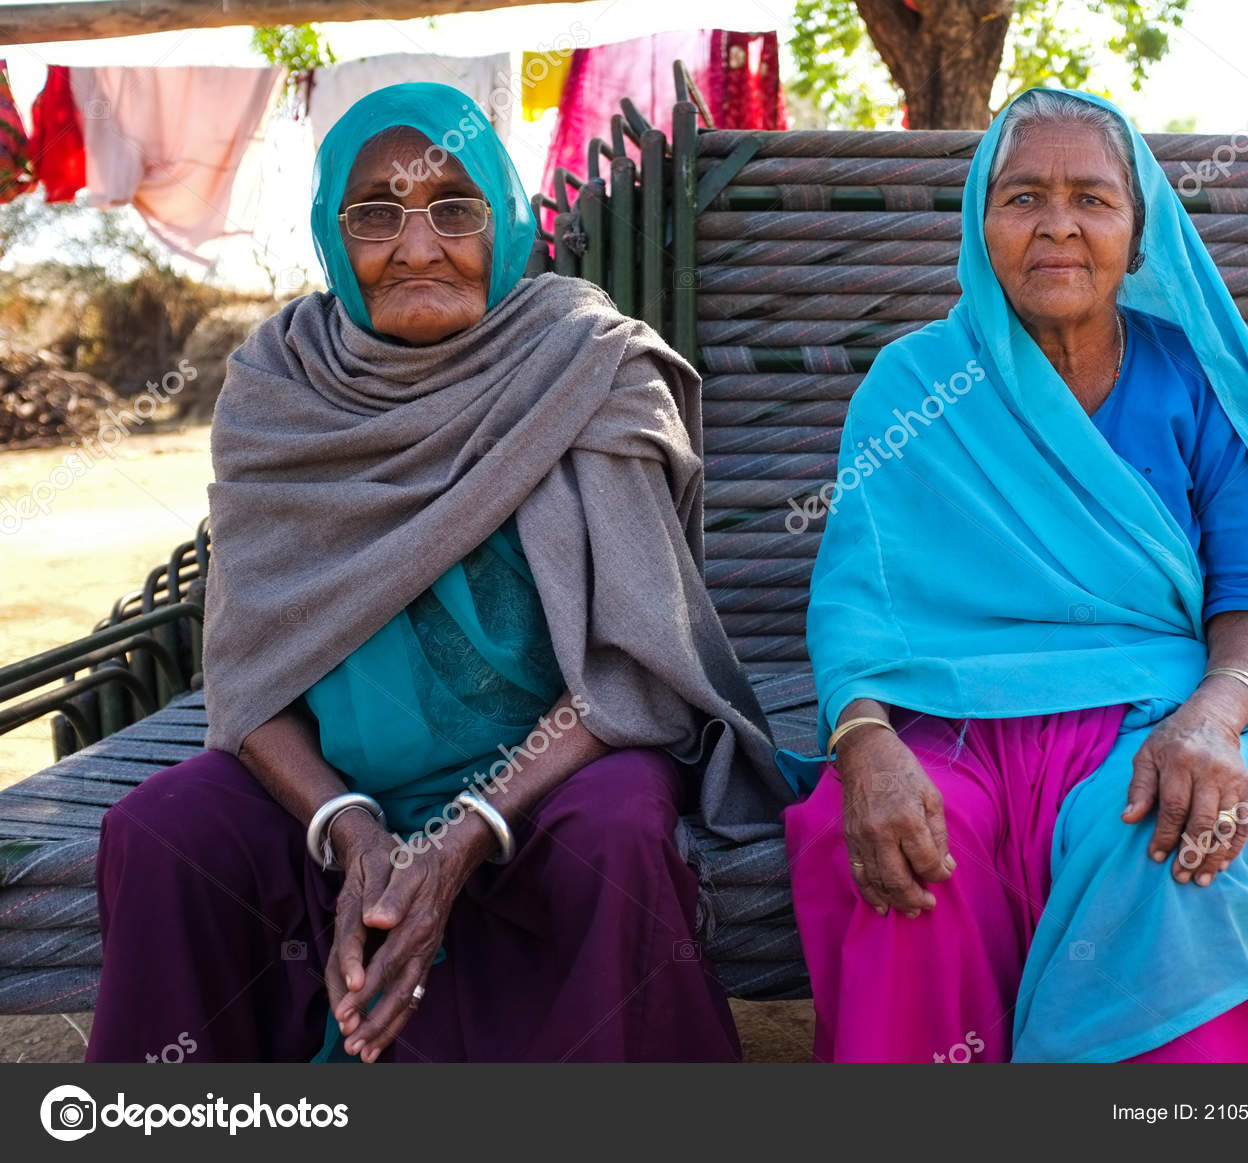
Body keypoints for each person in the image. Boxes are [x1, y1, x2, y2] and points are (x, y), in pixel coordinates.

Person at [86, 83, 791, 1064]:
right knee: (161, 832)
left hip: (552, 774)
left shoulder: (585, 364)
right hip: (329, 788)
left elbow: (638, 666)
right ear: (333, 235)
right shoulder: (278, 385)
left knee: (619, 833)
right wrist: (349, 825)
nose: (417, 247)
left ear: (503, 221)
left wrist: (467, 828)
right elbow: (248, 678)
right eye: (375, 213)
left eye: (453, 208)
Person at [783, 88, 1248, 1063]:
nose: (1057, 223)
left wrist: (1210, 719)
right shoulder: (913, 382)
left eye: (1091, 198)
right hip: (946, 719)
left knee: (1168, 850)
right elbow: (856, 599)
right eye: (1023, 196)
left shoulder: (1192, 379)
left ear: (1138, 224)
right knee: (911, 867)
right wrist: (863, 745)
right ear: (981, 219)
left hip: (1147, 713)